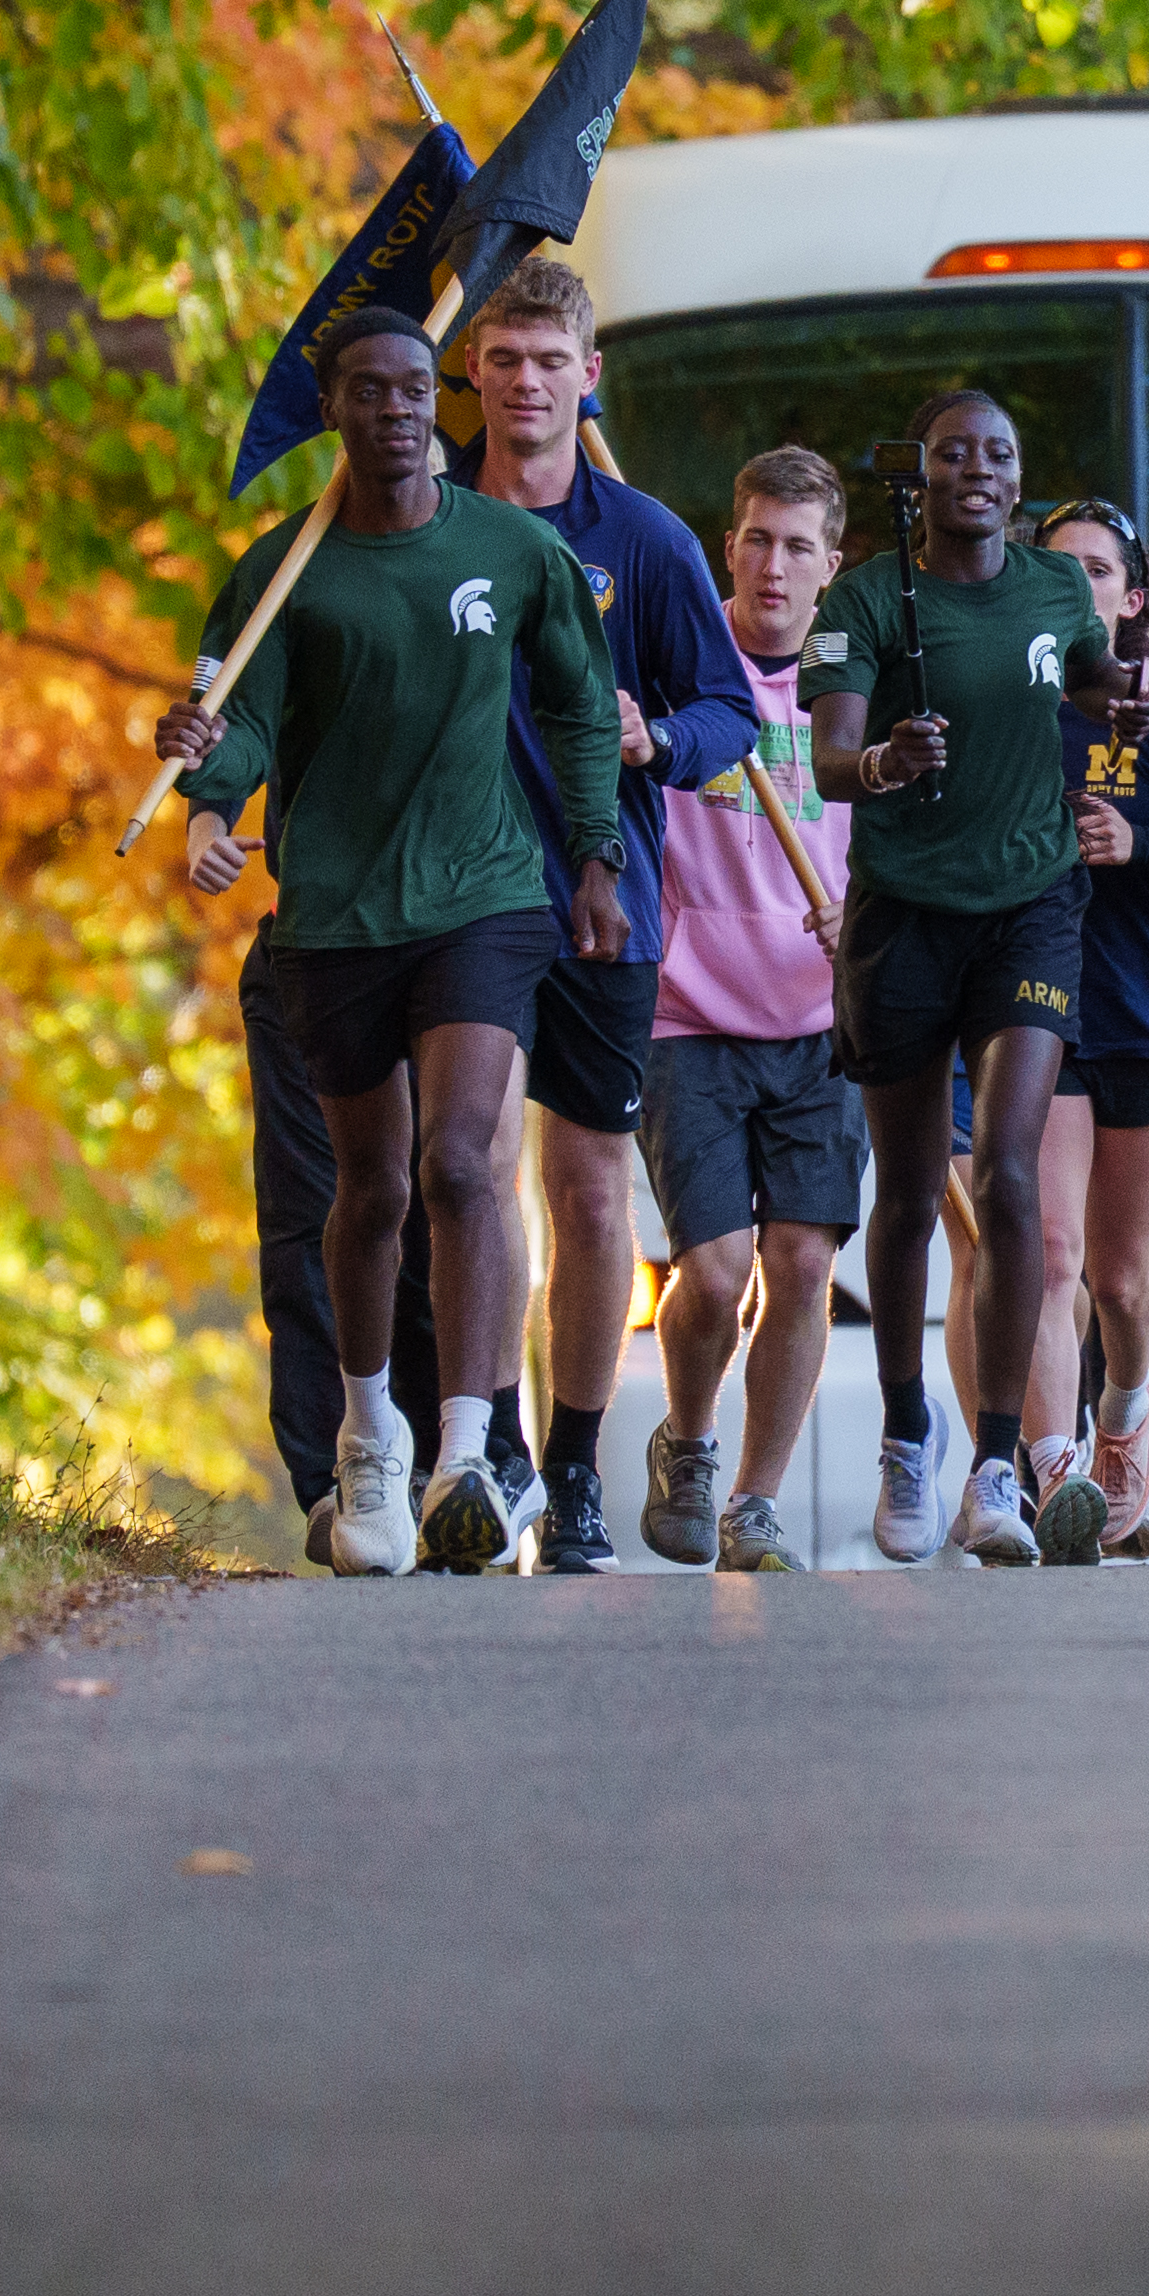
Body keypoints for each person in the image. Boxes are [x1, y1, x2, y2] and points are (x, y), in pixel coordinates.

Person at [159, 310, 635, 1574]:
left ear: (445, 396)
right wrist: (210, 796)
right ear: (336, 410)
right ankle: (367, 1440)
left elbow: (583, 706)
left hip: (485, 896)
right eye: (370, 391)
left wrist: (594, 854)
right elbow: (241, 722)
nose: (400, 410)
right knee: (367, 1189)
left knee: (465, 1163)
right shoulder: (283, 569)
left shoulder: (516, 550)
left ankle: (464, 1452)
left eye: (418, 388)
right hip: (338, 912)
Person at [451, 261, 766, 1576]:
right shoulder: (418, 517)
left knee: (584, 1187)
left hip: (603, 902)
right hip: (452, 898)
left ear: (589, 378)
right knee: (459, 1167)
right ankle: (476, 1455)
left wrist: (660, 735)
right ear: (473, 371)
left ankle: (571, 1469)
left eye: (549, 360)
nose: (526, 381)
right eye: (505, 357)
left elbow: (728, 713)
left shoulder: (642, 539)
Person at [805, 383, 1117, 1570]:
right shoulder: (868, 595)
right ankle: (903, 1427)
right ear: (919, 472)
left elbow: (1086, 678)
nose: (976, 470)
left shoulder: (1049, 582)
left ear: (1016, 474)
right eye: (953, 453)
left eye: (998, 453)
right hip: (905, 915)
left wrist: (1124, 692)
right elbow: (831, 762)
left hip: (1029, 906)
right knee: (905, 1188)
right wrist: (883, 756)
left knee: (1010, 1167)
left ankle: (999, 1460)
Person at [639, 447, 857, 1574]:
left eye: (800, 546)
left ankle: (756, 1501)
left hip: (823, 1020)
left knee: (806, 1262)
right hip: (690, 1013)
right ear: (731, 546)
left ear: (833, 564)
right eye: (758, 539)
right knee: (716, 1270)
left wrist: (859, 917)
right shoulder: (687, 660)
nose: (775, 564)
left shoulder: (851, 683)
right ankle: (686, 1440)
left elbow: (904, 834)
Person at [1015, 498, 1149, 1560]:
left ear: (1133, 597)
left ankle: (1128, 1406)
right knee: (1051, 1258)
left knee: (1117, 1274)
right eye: (1056, 571)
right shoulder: (1012, 707)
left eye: (1097, 572)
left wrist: (1140, 846)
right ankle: (1054, 1473)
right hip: (1042, 1013)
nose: (1078, 589)